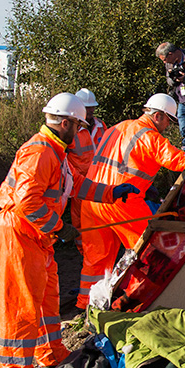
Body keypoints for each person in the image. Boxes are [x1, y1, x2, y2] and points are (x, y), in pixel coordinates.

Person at [0, 93, 84, 368]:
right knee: (21, 305)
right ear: (66, 123)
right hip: (19, 234)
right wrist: (61, 228)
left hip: (36, 237)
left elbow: (75, 186)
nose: (81, 132)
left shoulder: (55, 152)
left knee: (45, 299)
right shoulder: (42, 151)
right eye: (79, 126)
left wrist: (112, 192)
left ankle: (51, 354)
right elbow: (27, 202)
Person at [75, 94, 185, 309]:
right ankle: (136, 299)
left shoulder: (117, 128)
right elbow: (179, 162)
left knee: (95, 258)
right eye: (168, 120)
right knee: (145, 251)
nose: (168, 127)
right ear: (157, 116)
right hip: (122, 201)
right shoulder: (149, 136)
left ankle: (87, 305)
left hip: (93, 198)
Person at [67, 88, 108, 250]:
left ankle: (99, 246)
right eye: (86, 107)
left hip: (99, 181)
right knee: (79, 220)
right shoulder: (73, 130)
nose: (90, 111)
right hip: (79, 183)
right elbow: (65, 158)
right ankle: (83, 249)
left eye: (92, 107)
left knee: (100, 217)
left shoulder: (101, 126)